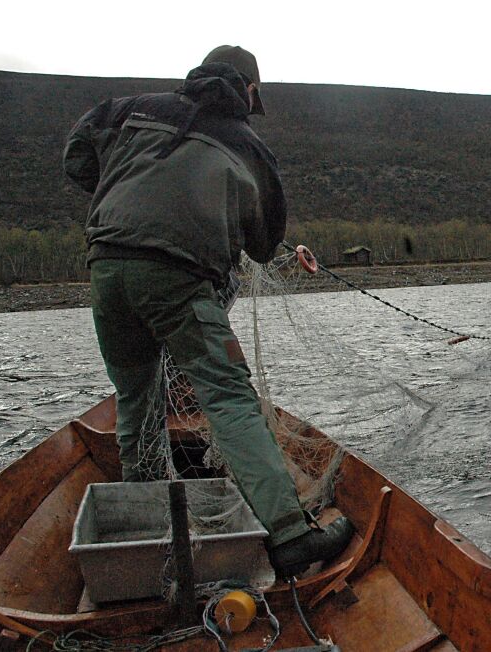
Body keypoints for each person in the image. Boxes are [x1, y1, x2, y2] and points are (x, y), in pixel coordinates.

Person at [63, 45, 352, 579]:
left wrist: (121, 188)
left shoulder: (128, 107)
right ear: (248, 91)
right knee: (228, 398)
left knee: (135, 395)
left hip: (106, 269)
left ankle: (147, 525)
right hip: (176, 281)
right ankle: (290, 536)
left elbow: (77, 155)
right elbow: (263, 246)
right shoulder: (248, 147)